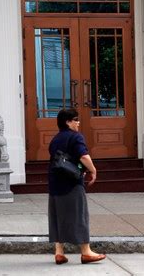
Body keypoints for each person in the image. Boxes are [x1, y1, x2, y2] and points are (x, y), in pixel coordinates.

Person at [48, 108, 106, 265]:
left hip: (55, 184)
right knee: (80, 215)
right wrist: (93, 170)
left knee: (58, 216)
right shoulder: (75, 137)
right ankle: (86, 252)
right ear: (68, 122)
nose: (78, 122)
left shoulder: (55, 139)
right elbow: (84, 156)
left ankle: (59, 252)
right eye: (75, 119)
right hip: (72, 184)